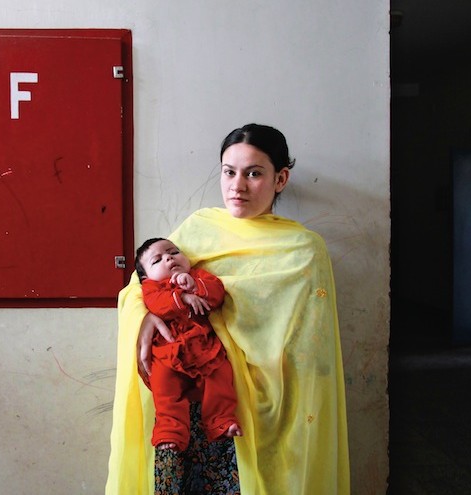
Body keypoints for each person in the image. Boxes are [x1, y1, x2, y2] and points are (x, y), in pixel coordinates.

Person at [106, 124, 350, 495]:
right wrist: (148, 316)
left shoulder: (303, 249)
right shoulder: (199, 228)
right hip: (188, 409)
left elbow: (310, 350)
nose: (237, 186)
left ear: (280, 178)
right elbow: (139, 286)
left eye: (254, 173)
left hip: (260, 413)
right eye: (229, 171)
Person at [135, 237, 242, 453]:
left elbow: (218, 293)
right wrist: (181, 297)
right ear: (145, 277)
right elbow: (156, 304)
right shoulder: (152, 287)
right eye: (157, 260)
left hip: (203, 347)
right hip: (168, 351)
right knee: (164, 389)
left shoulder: (198, 276)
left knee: (221, 376)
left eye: (174, 252)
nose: (168, 258)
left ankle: (221, 420)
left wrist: (196, 286)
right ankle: (170, 431)